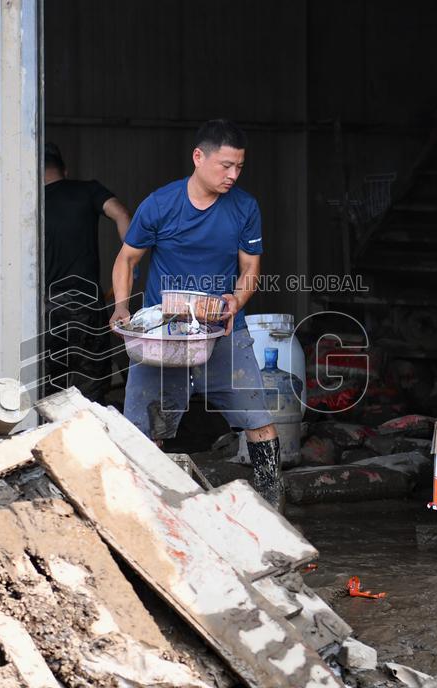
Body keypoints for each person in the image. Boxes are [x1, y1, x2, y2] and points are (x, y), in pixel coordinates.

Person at [108, 120, 284, 509]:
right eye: (225, 165)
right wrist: (122, 305)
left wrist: (236, 302)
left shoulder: (245, 208)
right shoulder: (160, 204)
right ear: (198, 157)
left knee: (257, 419)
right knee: (144, 430)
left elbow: (250, 270)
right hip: (163, 335)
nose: (233, 175)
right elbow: (127, 258)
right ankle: (143, 513)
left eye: (239, 166)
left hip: (222, 330)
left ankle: (274, 508)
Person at [43, 142, 131, 403]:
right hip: (85, 303)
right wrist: (129, 261)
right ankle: (89, 437)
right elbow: (122, 214)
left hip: (45, 308)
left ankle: (51, 439)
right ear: (65, 171)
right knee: (91, 383)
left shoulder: (29, 201)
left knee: (48, 387)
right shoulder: (88, 190)